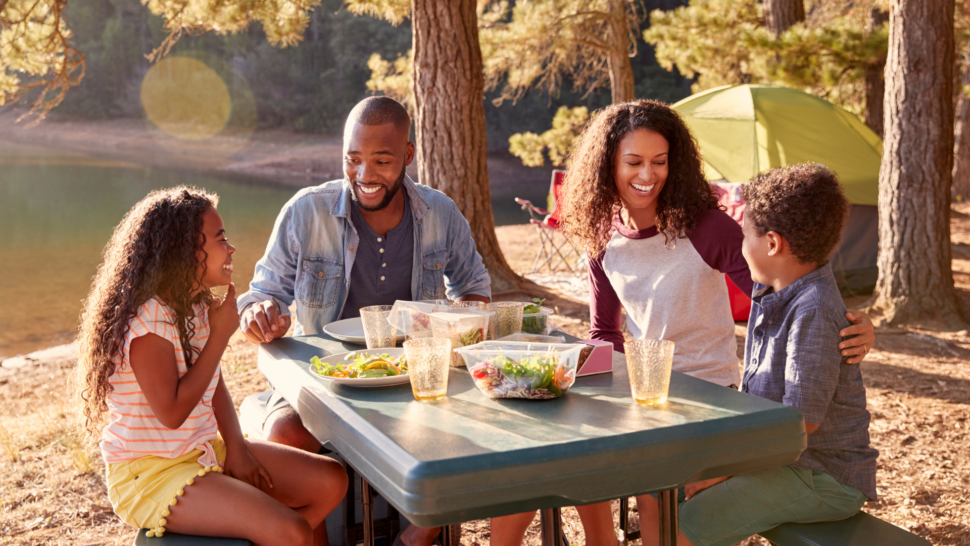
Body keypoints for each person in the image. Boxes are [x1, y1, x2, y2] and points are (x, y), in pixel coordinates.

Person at [490, 100, 875, 545]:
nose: (647, 175)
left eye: (660, 161)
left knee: (664, 511)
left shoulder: (705, 228)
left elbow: (783, 285)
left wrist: (854, 325)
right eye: (633, 162)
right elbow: (607, 334)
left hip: (708, 397)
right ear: (607, 165)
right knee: (564, 448)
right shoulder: (602, 236)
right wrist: (562, 367)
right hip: (644, 392)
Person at [237, 96, 491, 546]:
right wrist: (260, 314)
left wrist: (453, 324)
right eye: (353, 159)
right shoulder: (305, 211)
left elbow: (473, 288)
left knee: (483, 435)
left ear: (408, 156)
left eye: (382, 161)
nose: (365, 175)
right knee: (286, 434)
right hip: (321, 378)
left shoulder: (440, 213)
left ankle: (416, 537)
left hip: (413, 374)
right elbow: (262, 292)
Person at [76, 187, 348, 546]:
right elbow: (172, 412)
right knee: (293, 532)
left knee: (331, 480)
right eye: (220, 239)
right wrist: (220, 336)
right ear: (185, 250)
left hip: (203, 450)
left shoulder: (194, 306)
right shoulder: (149, 323)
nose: (231, 248)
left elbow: (212, 384)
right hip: (152, 473)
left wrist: (235, 445)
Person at [637, 164, 878, 546]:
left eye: (745, 232)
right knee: (661, 487)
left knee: (688, 519)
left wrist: (724, 472)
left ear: (772, 244)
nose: (740, 242)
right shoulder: (775, 291)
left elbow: (801, 423)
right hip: (784, 460)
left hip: (822, 477)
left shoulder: (813, 308)